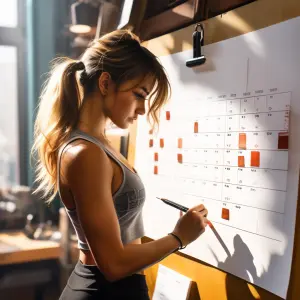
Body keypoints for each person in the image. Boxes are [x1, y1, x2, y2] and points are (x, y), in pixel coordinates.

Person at [31, 30, 208, 300]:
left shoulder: (97, 144)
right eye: (139, 94)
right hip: (105, 290)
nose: (142, 109)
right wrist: (179, 237)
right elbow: (113, 264)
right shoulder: (84, 153)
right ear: (105, 83)